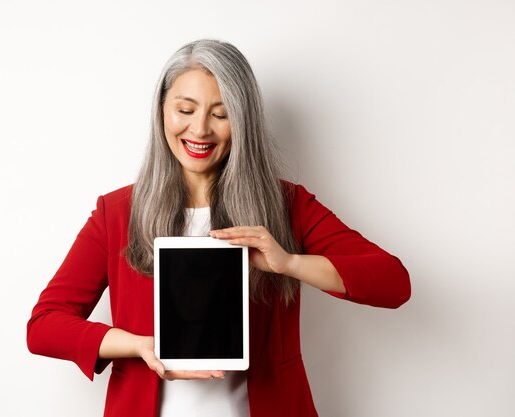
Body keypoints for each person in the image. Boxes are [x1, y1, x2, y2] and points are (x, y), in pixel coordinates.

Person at [26, 39, 411, 417]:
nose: (200, 130)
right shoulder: (118, 212)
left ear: (242, 121)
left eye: (221, 114)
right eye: (185, 109)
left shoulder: (286, 205)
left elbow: (393, 282)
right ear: (162, 110)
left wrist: (289, 263)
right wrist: (139, 346)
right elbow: (44, 325)